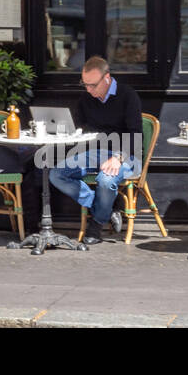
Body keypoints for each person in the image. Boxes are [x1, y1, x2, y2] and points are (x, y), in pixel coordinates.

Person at [48, 56, 143, 243]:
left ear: (106, 78)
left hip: (127, 155)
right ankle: (105, 208)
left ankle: (96, 225)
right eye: (85, 85)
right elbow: (81, 128)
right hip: (94, 153)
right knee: (56, 174)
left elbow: (135, 135)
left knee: (106, 180)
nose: (89, 89)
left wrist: (117, 158)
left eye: (93, 85)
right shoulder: (86, 98)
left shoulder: (127, 95)